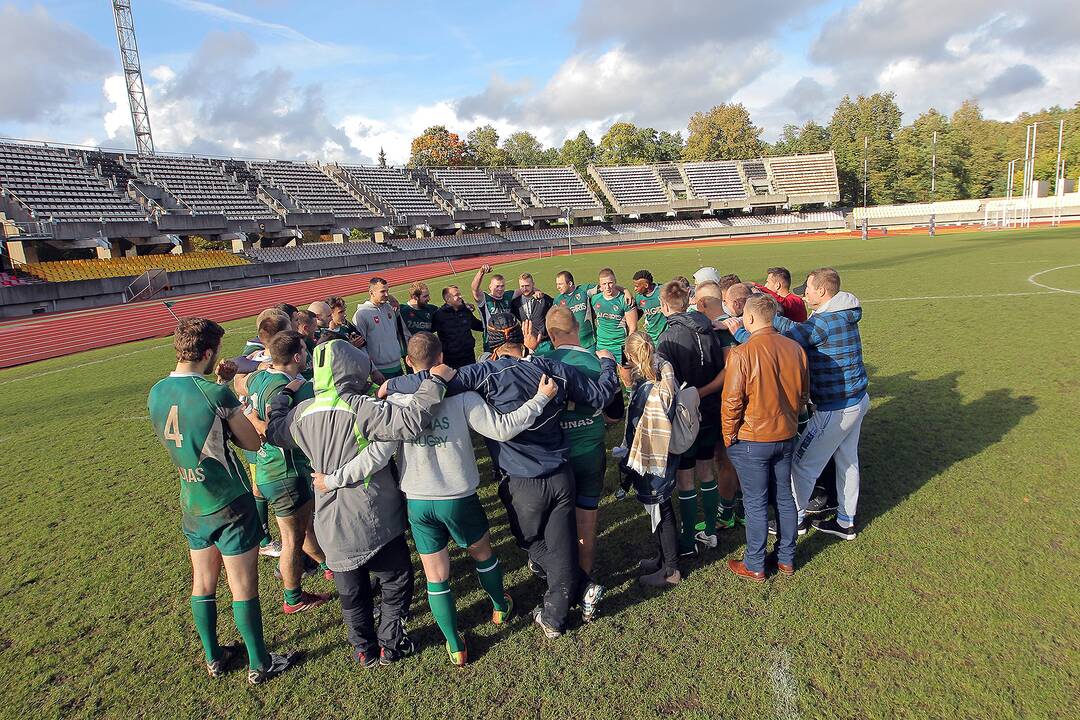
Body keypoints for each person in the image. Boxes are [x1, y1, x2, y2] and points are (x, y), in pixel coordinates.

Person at [323, 332, 557, 666]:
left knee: (436, 575)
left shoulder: (394, 404)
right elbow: (504, 428)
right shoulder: (462, 397)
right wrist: (540, 399)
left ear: (408, 363)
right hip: (458, 497)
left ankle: (454, 644)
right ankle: (500, 607)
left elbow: (375, 456)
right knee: (482, 555)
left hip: (418, 502)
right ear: (442, 357)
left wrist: (332, 479)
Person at [382, 342, 620, 638]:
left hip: (522, 482)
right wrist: (608, 363)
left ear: (496, 355)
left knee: (530, 542)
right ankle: (557, 613)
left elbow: (434, 377)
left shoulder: (488, 372)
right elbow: (600, 395)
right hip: (561, 474)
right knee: (560, 548)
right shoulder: (553, 369)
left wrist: (391, 383)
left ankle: (575, 593)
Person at [264, 339, 454, 666]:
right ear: (352, 369)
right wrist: (435, 382)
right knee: (396, 580)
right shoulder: (360, 407)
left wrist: (282, 398)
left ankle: (363, 648)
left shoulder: (302, 412)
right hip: (374, 516)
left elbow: (274, 431)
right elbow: (409, 421)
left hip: (330, 522)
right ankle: (391, 642)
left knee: (351, 593)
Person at [147, 317, 298, 684]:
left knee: (202, 582)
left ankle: (213, 657)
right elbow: (251, 442)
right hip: (228, 500)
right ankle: (260, 664)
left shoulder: (156, 391)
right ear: (210, 352)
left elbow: (195, 426)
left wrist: (220, 385)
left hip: (191, 501)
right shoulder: (216, 395)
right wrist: (226, 391)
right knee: (243, 586)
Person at [726, 267, 869, 540]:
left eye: (810, 288)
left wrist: (741, 334)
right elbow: (800, 330)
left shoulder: (824, 322)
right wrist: (774, 318)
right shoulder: (839, 312)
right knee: (848, 461)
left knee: (801, 465)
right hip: (857, 399)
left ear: (823, 291)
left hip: (835, 407)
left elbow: (783, 342)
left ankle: (793, 522)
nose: (805, 293)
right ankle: (845, 521)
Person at [244, 330, 332, 612]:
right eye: (305, 351)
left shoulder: (258, 378)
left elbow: (242, 394)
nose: (307, 355)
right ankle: (293, 598)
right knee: (293, 539)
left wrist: (253, 418)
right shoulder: (299, 387)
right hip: (287, 471)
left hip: (266, 468)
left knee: (304, 530)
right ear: (297, 357)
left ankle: (330, 567)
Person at [722, 295, 808, 581]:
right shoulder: (795, 349)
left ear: (749, 319)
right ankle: (786, 558)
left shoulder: (742, 353)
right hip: (785, 434)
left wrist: (728, 435)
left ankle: (755, 563)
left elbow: (732, 401)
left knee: (756, 502)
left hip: (752, 439)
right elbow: (804, 394)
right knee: (784, 496)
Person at [525, 307, 616, 580]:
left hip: (555, 455)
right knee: (586, 519)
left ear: (549, 335)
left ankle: (559, 579)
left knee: (556, 522)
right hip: (590, 451)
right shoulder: (597, 361)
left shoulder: (540, 361)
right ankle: (584, 576)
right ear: (578, 327)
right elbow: (614, 414)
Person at [656, 281, 725, 556]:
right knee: (707, 470)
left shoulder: (668, 337)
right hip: (710, 410)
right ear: (687, 302)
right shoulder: (710, 330)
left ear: (663, 306)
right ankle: (709, 531)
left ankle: (686, 542)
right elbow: (724, 370)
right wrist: (704, 392)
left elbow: (666, 385)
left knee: (685, 479)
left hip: (683, 416)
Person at [620, 331, 682, 587]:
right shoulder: (664, 370)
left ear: (631, 356)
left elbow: (635, 426)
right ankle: (662, 558)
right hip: (666, 452)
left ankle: (672, 570)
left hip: (653, 457)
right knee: (661, 508)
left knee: (662, 509)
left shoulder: (647, 390)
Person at [689, 281, 743, 531]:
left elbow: (729, 370)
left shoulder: (721, 330)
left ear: (702, 303)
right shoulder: (733, 322)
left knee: (725, 459)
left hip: (728, 404)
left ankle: (727, 513)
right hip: (740, 403)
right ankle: (741, 509)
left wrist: (702, 391)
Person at [353, 277, 408, 380]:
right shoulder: (361, 314)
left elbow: (396, 333)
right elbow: (361, 346)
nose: (387, 294)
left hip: (397, 365)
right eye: (383, 291)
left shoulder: (389, 308)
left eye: (388, 291)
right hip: (380, 371)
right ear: (371, 292)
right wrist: (373, 370)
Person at [471, 264, 523, 353]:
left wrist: (536, 291)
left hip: (509, 339)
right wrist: (481, 272)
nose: (500, 289)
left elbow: (526, 289)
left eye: (502, 286)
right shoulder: (484, 298)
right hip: (491, 340)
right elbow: (474, 289)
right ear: (490, 287)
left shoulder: (508, 295)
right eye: (497, 286)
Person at [431, 285, 483, 368]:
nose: (460, 296)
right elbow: (428, 332)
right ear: (448, 299)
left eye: (460, 294)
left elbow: (476, 324)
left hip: (469, 355)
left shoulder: (465, 311)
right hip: (451, 359)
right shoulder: (439, 315)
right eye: (456, 295)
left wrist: (491, 327)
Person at [592, 268, 637, 362]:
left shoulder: (625, 300)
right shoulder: (595, 299)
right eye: (604, 284)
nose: (607, 287)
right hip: (602, 346)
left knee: (626, 375)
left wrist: (628, 347)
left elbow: (633, 327)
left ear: (615, 282)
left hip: (620, 346)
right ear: (600, 285)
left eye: (610, 283)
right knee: (605, 374)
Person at [553, 270, 598, 350]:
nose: (557, 287)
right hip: (571, 346)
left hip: (590, 343)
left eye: (560, 284)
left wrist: (624, 290)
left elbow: (606, 287)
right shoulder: (557, 300)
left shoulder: (584, 290)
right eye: (557, 284)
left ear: (570, 284)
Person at [512, 272, 554, 355]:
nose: (525, 289)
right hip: (527, 344)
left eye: (527, 285)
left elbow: (556, 309)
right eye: (522, 286)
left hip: (545, 343)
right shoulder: (515, 303)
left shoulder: (543, 299)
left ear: (533, 284)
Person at [633, 270, 668, 343]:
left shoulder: (663, 291)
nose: (635, 289)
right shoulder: (639, 297)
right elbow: (638, 314)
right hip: (651, 337)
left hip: (666, 335)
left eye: (637, 286)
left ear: (646, 285)